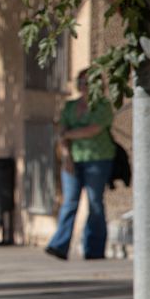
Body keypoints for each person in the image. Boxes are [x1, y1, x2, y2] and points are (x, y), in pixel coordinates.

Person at [45, 68, 116, 260]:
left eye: (89, 83)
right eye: (82, 82)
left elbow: (92, 130)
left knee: (94, 203)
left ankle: (94, 248)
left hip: (98, 159)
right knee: (70, 201)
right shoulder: (69, 107)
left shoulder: (103, 106)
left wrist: (68, 134)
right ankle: (59, 245)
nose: (85, 87)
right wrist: (66, 156)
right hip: (73, 160)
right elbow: (61, 132)